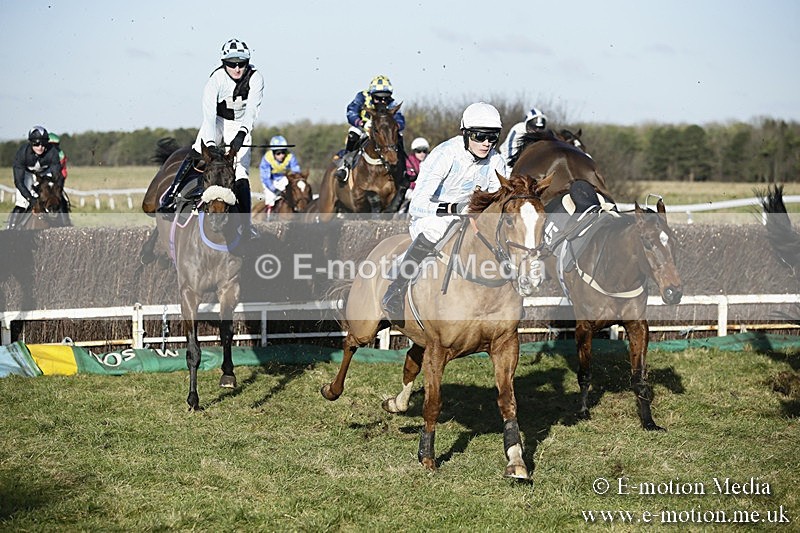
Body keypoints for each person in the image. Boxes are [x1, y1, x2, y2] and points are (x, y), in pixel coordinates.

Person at [381, 102, 506, 320]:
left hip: (471, 220)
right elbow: (417, 205)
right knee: (438, 229)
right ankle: (396, 290)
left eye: (492, 137)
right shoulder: (444, 155)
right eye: (479, 136)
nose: (486, 143)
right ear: (465, 133)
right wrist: (455, 209)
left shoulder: (497, 161)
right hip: (433, 218)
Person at [159, 38, 265, 239]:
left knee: (241, 173)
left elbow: (252, 111)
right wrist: (209, 144)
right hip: (216, 122)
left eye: (241, 63)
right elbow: (208, 116)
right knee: (198, 156)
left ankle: (245, 225)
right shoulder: (215, 80)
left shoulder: (256, 78)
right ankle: (171, 197)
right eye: (231, 64)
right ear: (223, 63)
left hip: (240, 124)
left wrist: (242, 134)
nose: (236, 68)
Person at [333, 74, 406, 184]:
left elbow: (400, 119)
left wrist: (395, 127)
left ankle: (404, 169)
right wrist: (361, 123)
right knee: (353, 135)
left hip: (383, 131)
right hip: (364, 128)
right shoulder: (362, 97)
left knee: (398, 136)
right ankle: (345, 166)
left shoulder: (391, 103)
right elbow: (351, 112)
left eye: (385, 98)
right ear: (372, 95)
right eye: (378, 98)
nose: (382, 101)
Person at [7, 126, 66, 229]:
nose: (40, 147)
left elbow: (57, 177)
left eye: (43, 144)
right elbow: (19, 182)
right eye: (36, 143)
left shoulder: (52, 152)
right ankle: (10, 230)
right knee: (22, 203)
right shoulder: (22, 153)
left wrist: (57, 192)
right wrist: (31, 199)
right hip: (26, 174)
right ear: (31, 143)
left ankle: (65, 226)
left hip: (45, 173)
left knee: (58, 200)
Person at [259, 135, 301, 209]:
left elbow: (296, 171)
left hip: (283, 179)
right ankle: (269, 215)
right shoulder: (267, 158)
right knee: (271, 198)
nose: (282, 155)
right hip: (270, 181)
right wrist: (274, 190)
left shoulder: (290, 156)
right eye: (278, 153)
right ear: (273, 153)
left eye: (283, 152)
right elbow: (265, 178)